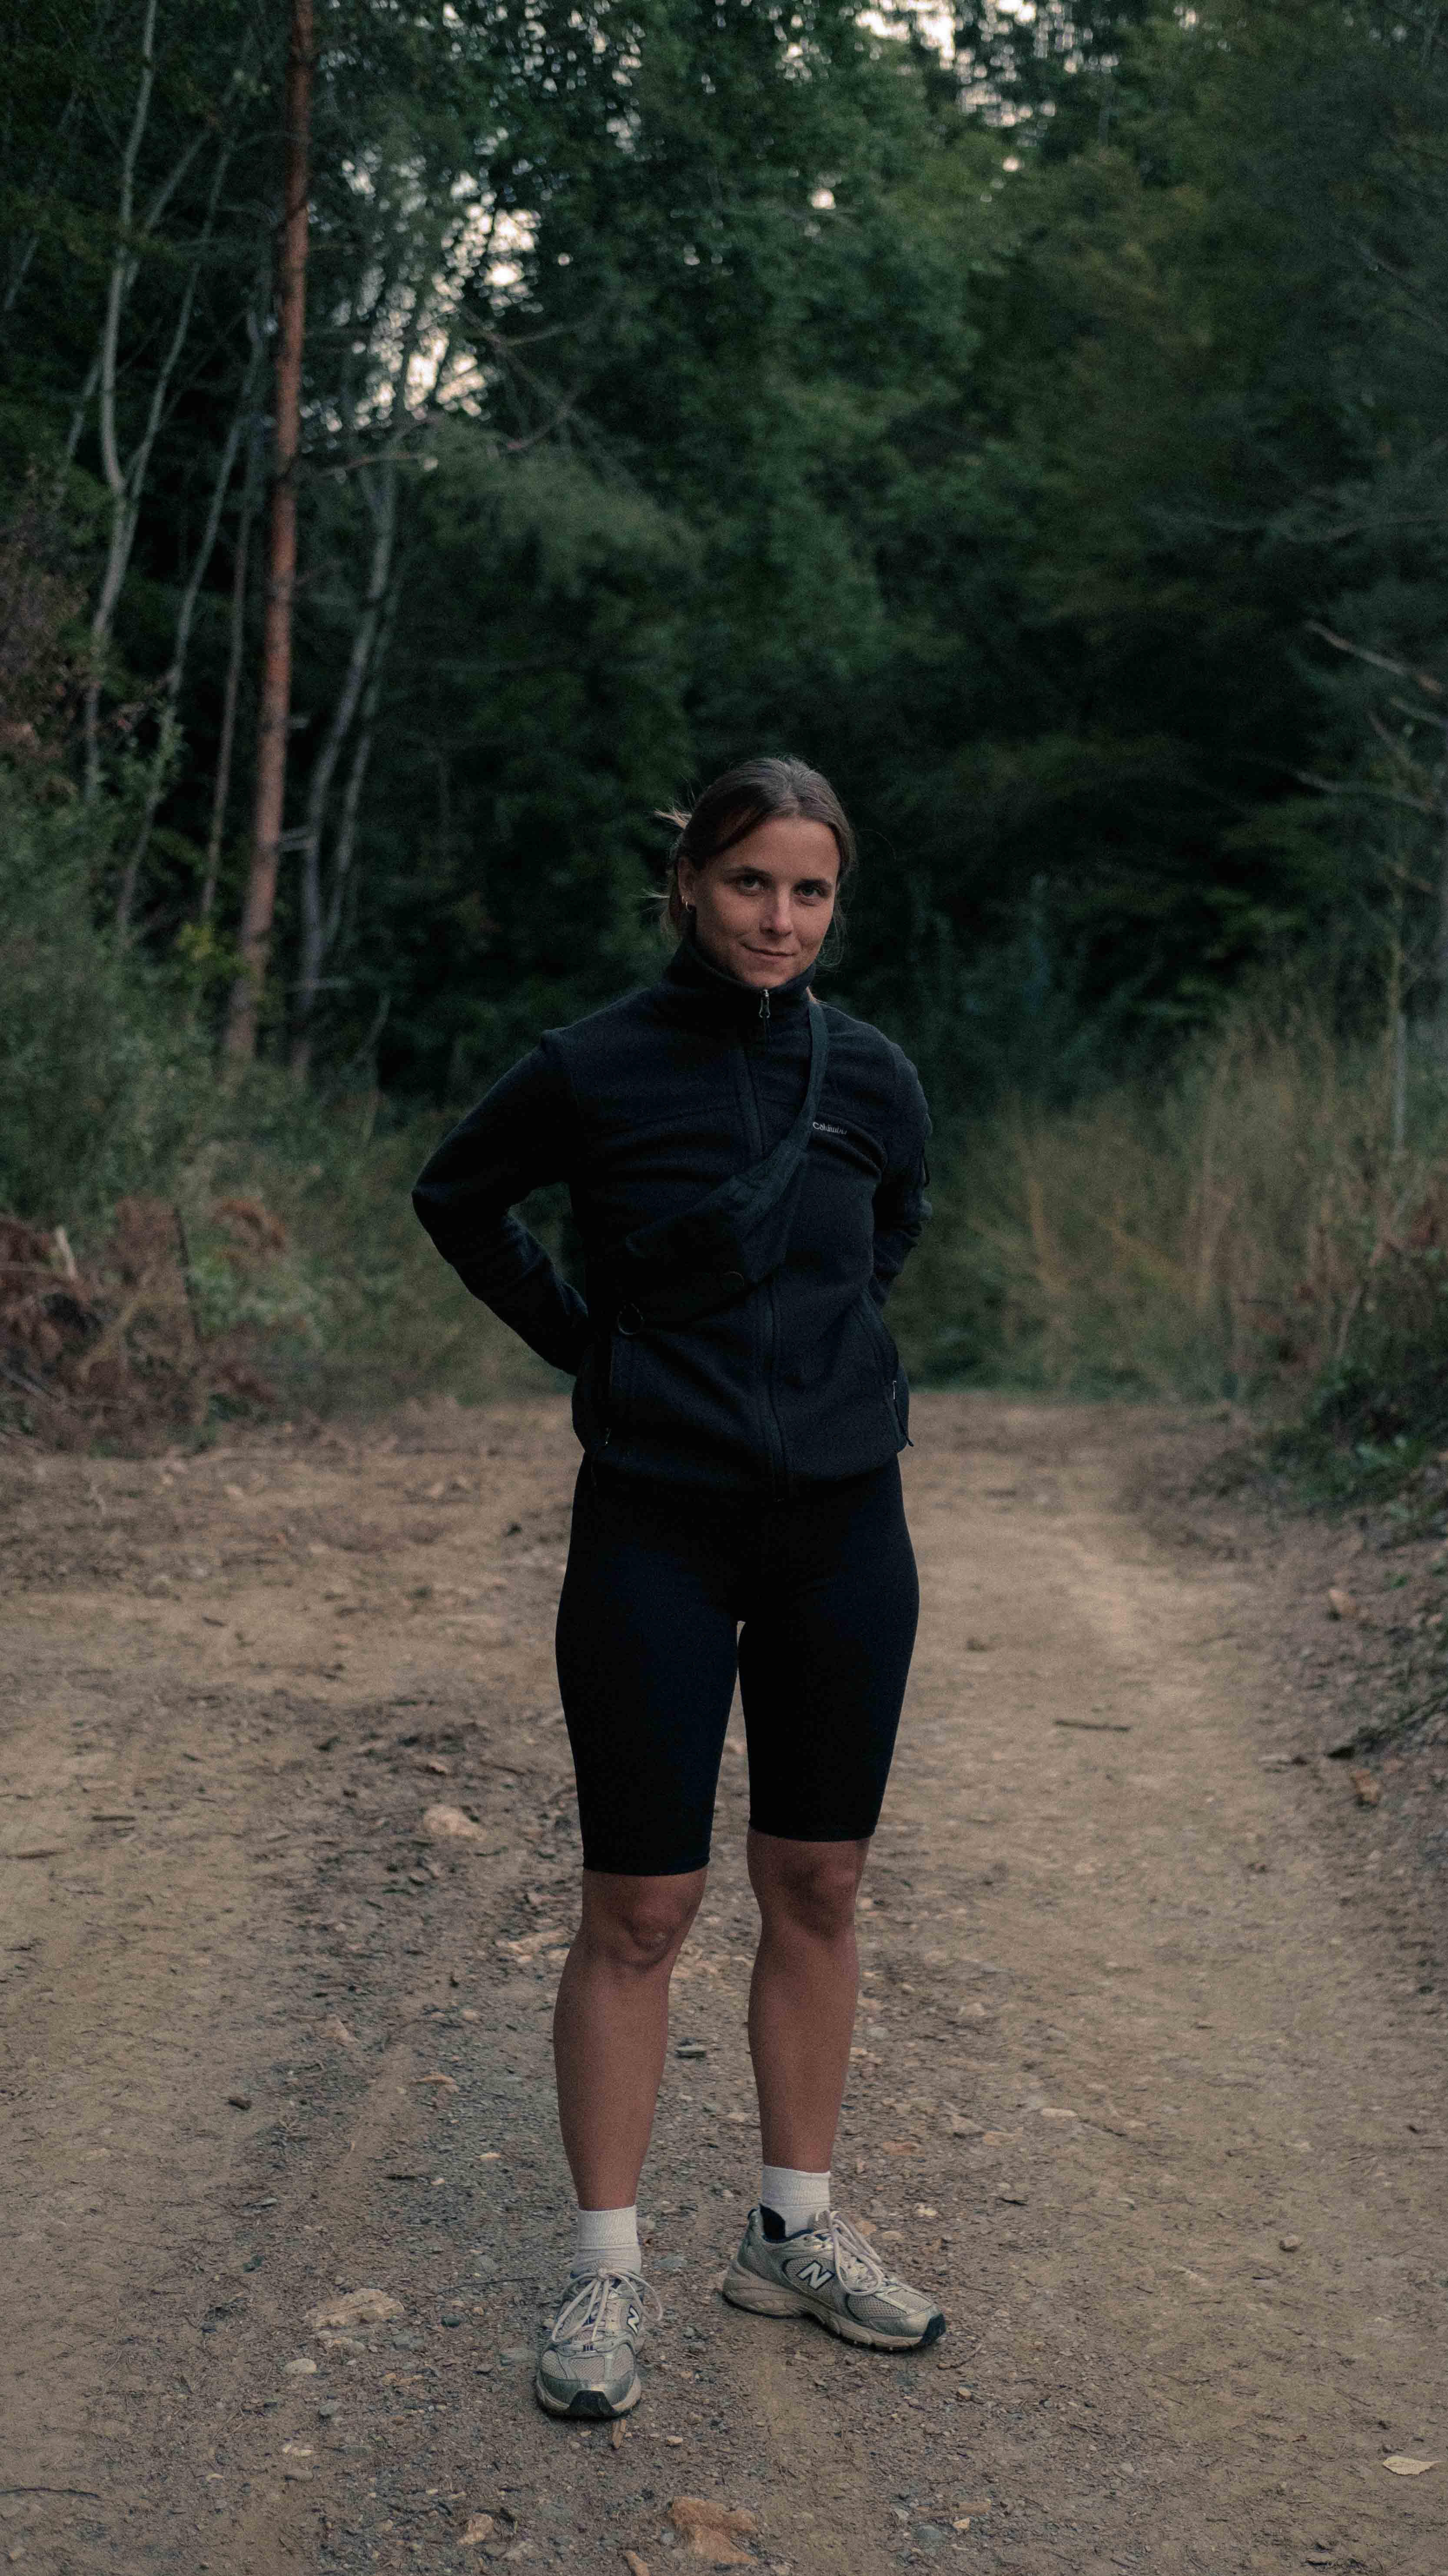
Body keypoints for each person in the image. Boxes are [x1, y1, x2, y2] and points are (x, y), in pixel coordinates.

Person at [411, 756, 942, 2422]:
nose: (779, 919)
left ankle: (793, 2233)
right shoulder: (593, 1066)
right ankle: (605, 2268)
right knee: (640, 1911)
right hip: (655, 1526)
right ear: (690, 886)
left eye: (810, 891)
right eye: (749, 884)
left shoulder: (874, 1073)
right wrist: (593, 1349)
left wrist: (820, 1375)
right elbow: (456, 1196)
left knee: (822, 1883)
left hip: (844, 1530)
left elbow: (887, 1238)